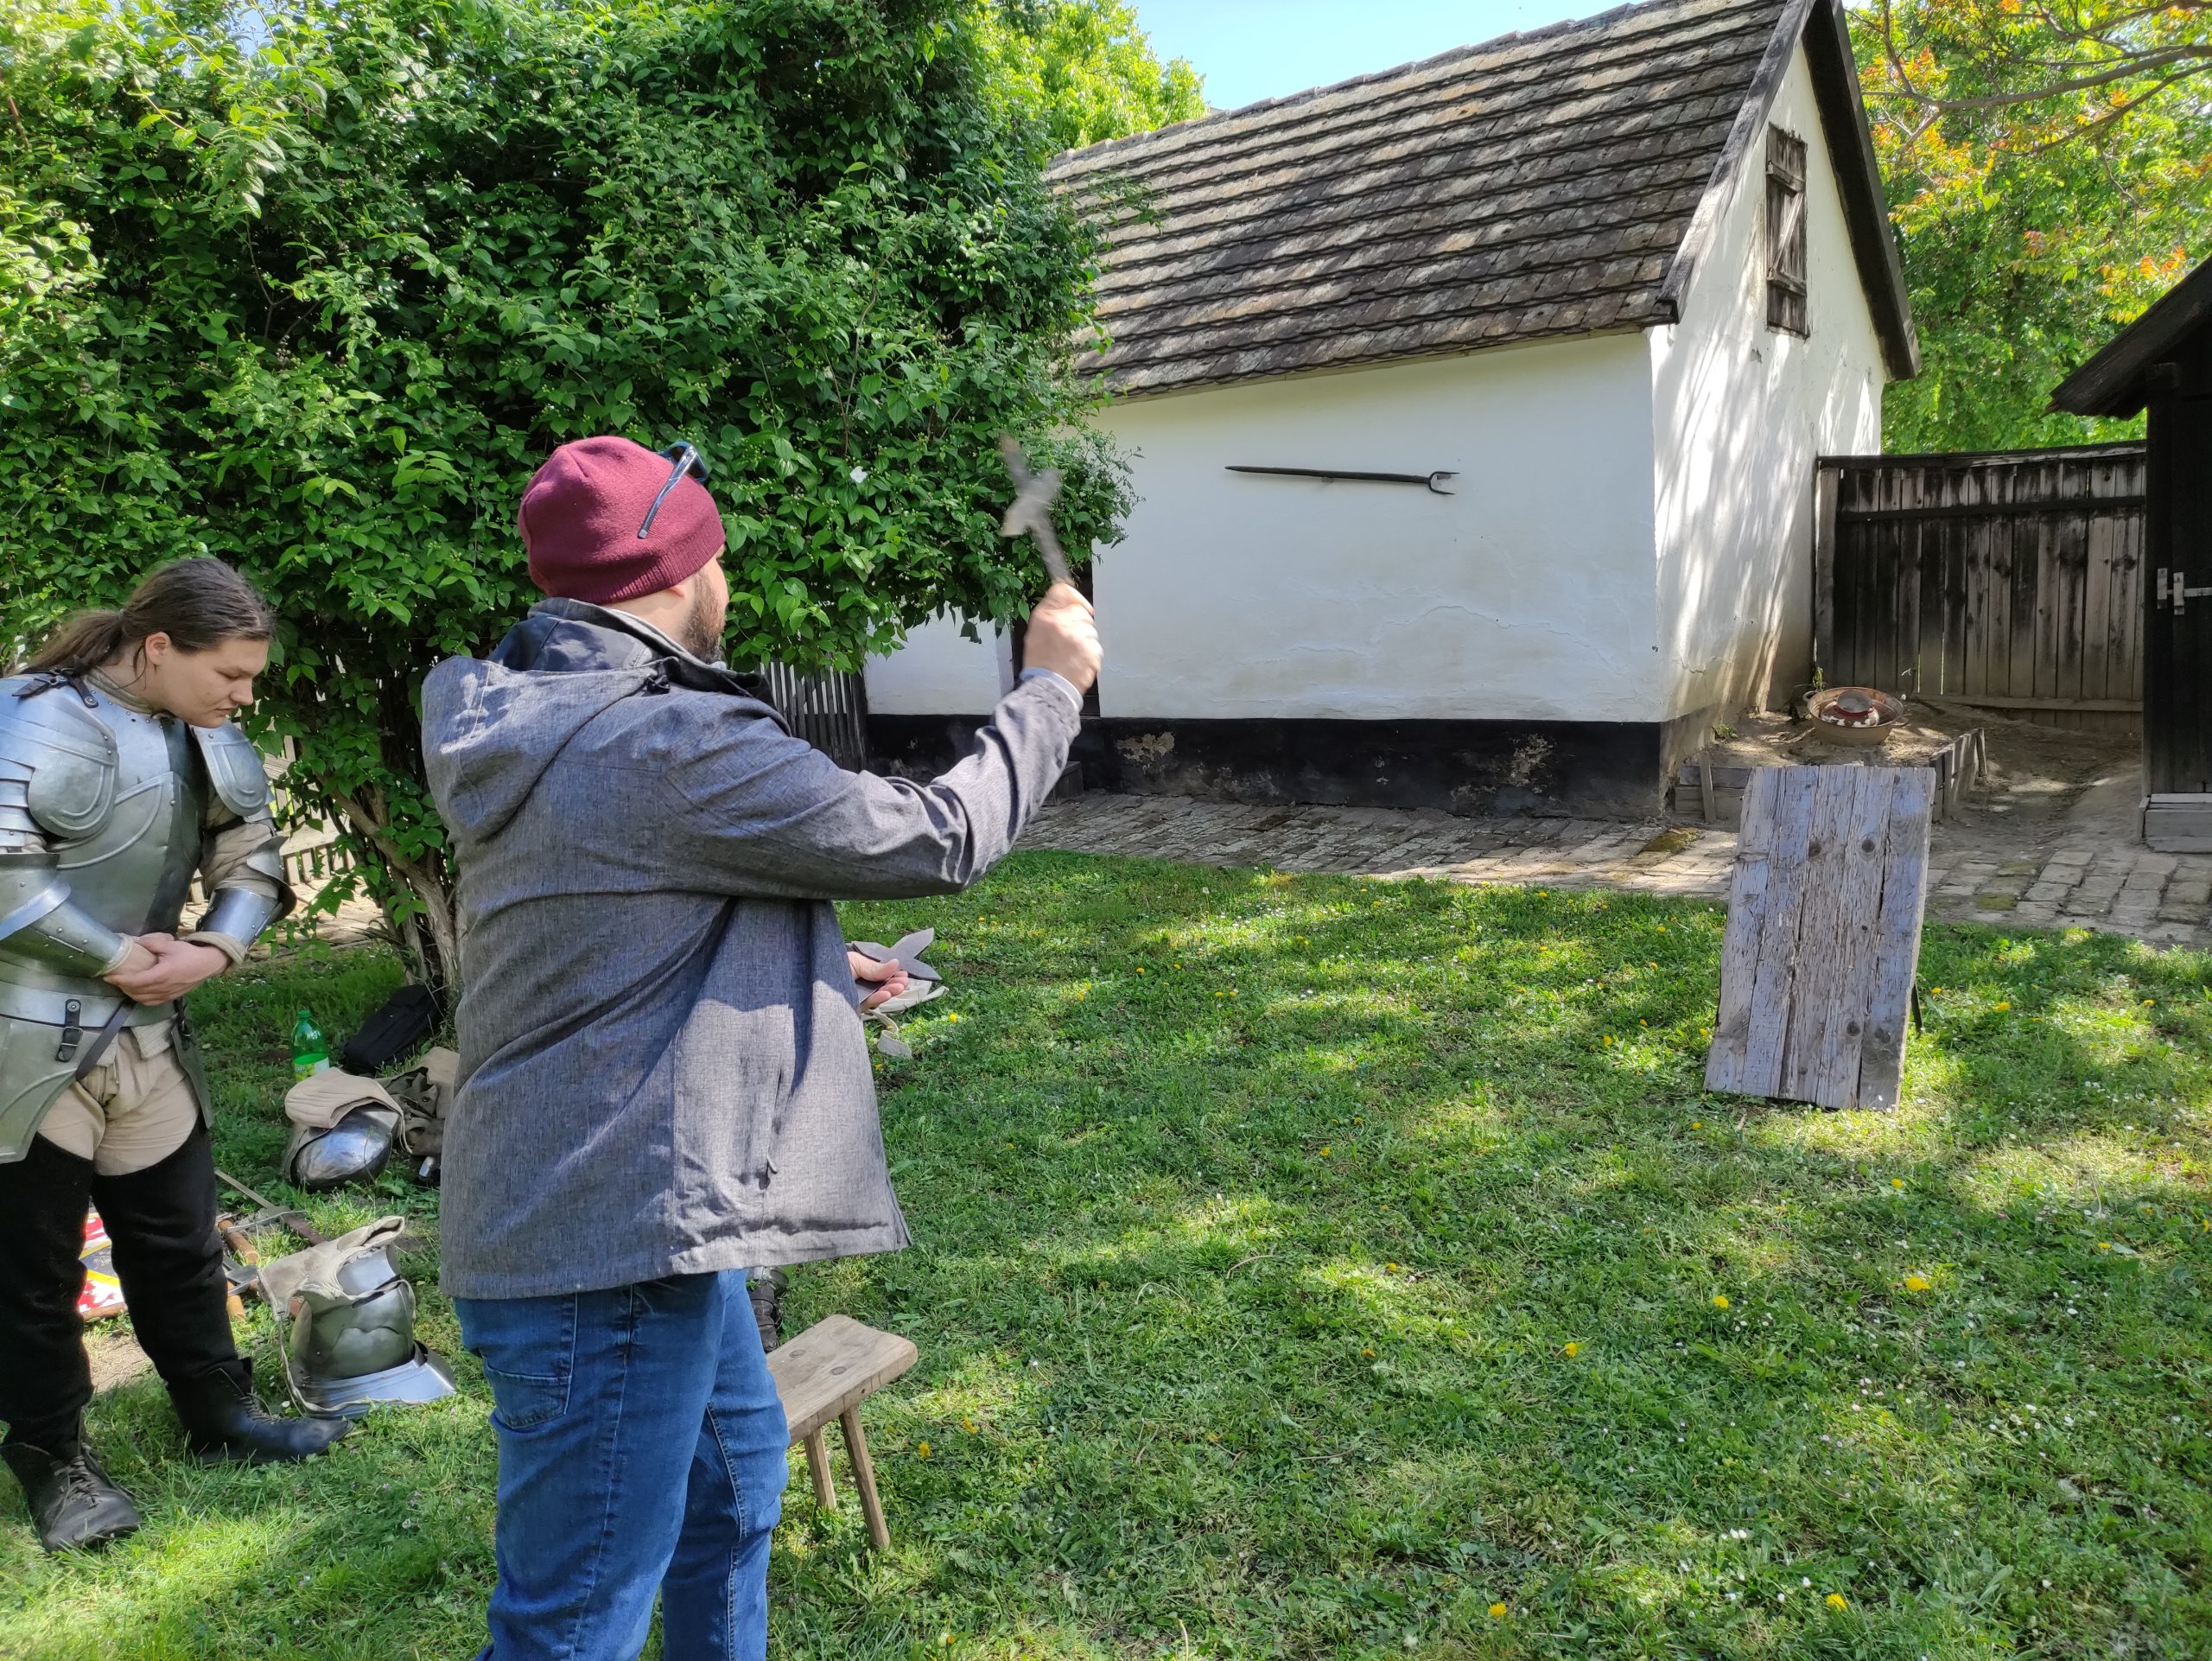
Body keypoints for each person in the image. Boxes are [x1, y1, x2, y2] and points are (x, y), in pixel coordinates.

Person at [422, 435, 1100, 1661]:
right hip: (603, 1237)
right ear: (682, 571)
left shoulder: (532, 708)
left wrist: (806, 953)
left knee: (734, 1489)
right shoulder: (666, 742)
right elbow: (940, 835)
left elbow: (611, 904)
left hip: (631, 1214)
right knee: (570, 1621)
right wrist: (1050, 687)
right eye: (720, 554)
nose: (726, 578)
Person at [0, 558, 349, 1554]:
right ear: (158, 646)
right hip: (19, 1028)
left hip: (148, 1031)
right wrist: (121, 958)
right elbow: (4, 877)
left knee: (178, 1243)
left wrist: (212, 949)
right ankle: (55, 1458)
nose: (244, 696)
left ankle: (219, 1412)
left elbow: (253, 857)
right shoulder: (23, 715)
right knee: (29, 1270)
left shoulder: (204, 730)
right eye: (230, 673)